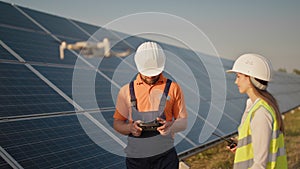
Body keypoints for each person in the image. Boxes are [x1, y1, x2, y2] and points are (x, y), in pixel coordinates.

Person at [113, 41, 188, 169]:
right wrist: (130, 128)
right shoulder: (126, 91)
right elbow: (117, 124)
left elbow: (183, 122)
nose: (151, 76)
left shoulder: (173, 88)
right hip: (136, 160)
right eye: (147, 72)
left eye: (154, 72)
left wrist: (170, 126)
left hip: (165, 159)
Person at [227, 53, 288, 169]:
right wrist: (241, 144)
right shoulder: (256, 106)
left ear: (250, 78)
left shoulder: (261, 113)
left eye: (238, 76)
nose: (236, 82)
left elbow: (260, 164)